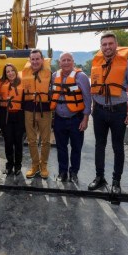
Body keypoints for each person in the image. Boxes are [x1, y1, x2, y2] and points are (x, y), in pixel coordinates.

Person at [89, 32, 128, 195]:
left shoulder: (127, 64)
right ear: (101, 47)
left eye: (110, 44)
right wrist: (92, 107)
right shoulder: (96, 64)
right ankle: (99, 177)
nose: (107, 47)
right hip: (99, 111)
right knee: (99, 145)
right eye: (104, 44)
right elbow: (94, 90)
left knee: (118, 147)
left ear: (116, 45)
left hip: (118, 111)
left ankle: (116, 181)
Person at [50, 52, 91, 182]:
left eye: (69, 60)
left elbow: (87, 99)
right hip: (59, 119)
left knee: (76, 147)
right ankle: (63, 172)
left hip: (76, 119)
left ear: (73, 62)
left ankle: (74, 172)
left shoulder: (82, 77)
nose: (66, 62)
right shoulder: (54, 76)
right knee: (61, 147)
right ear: (59, 62)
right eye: (63, 60)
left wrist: (85, 119)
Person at [22, 49, 52, 179]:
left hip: (45, 110)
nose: (35, 61)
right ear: (30, 60)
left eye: (37, 59)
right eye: (32, 59)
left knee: (45, 140)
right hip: (29, 110)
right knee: (31, 140)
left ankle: (43, 165)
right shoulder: (24, 74)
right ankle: (35, 165)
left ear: (42, 59)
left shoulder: (50, 74)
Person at [0, 63, 25, 175]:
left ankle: (18, 165)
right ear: (5, 74)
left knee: (18, 142)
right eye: (7, 71)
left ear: (15, 71)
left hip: (19, 115)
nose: (10, 73)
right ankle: (9, 164)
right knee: (8, 142)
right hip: (6, 115)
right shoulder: (1, 84)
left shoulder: (22, 83)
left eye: (12, 70)